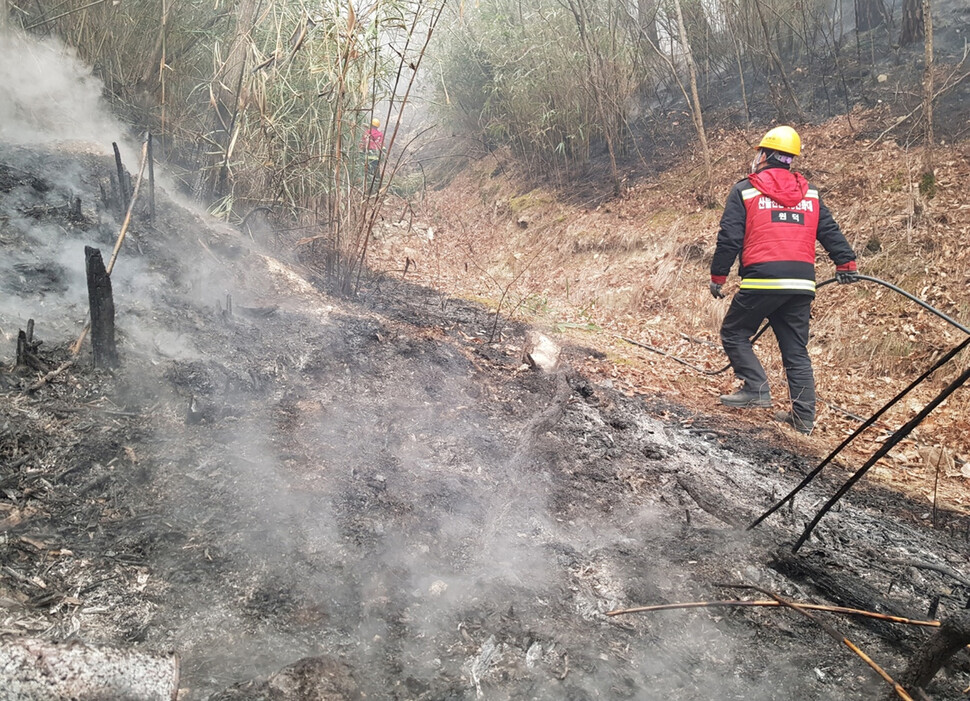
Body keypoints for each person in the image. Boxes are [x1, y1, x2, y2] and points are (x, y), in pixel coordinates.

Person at [709, 126, 859, 435]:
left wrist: (718, 276)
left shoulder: (745, 190)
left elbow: (729, 237)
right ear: (791, 160)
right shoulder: (810, 193)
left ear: (763, 156)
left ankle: (757, 388)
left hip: (762, 280)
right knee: (795, 351)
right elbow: (828, 230)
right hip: (802, 284)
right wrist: (845, 263)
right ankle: (803, 418)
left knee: (735, 332)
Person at [362, 118, 384, 183]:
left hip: (367, 158)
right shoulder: (380, 134)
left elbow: (363, 143)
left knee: (367, 175)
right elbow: (381, 146)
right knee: (376, 175)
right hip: (376, 159)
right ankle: (376, 187)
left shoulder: (367, 132)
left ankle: (367, 188)